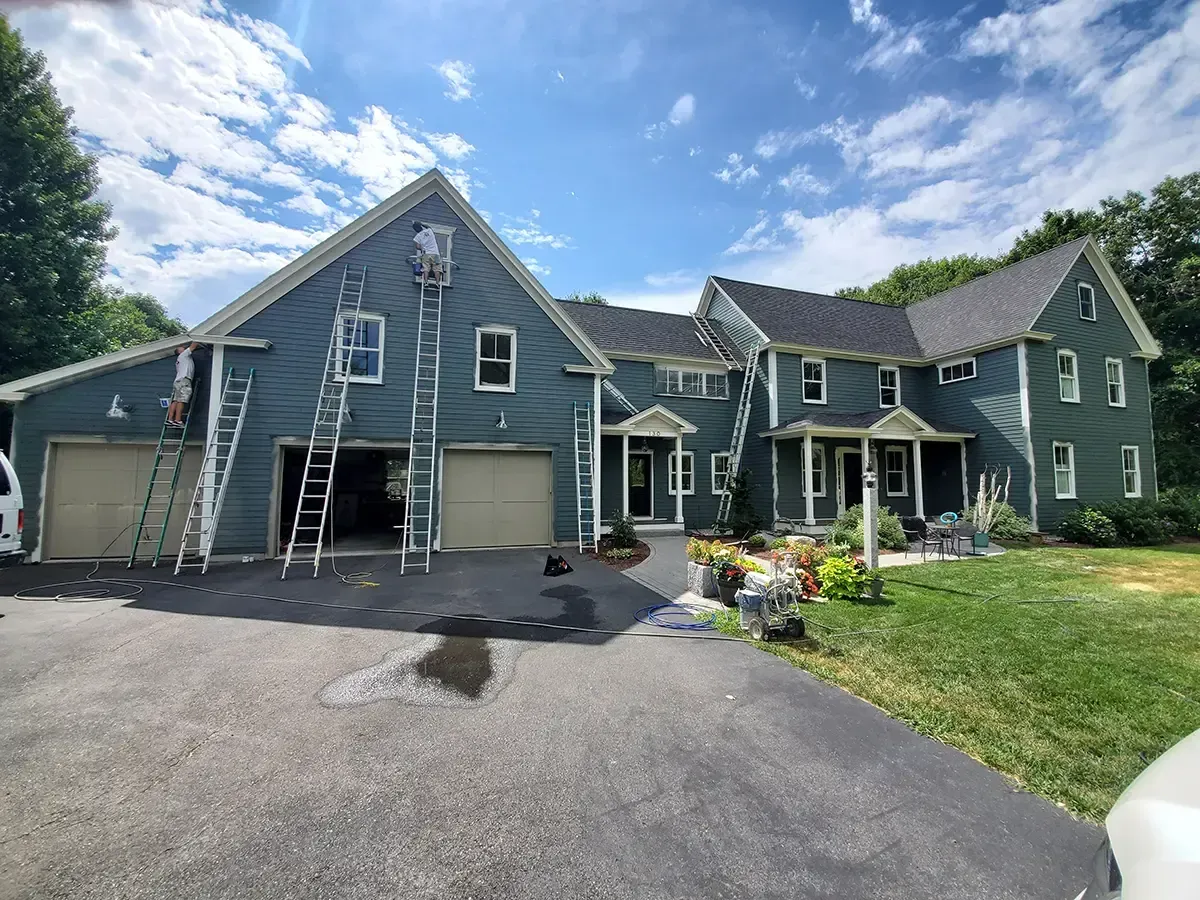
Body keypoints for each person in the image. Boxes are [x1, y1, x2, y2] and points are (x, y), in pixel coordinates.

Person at [166, 341, 200, 427]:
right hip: (184, 380)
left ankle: (170, 419)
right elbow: (193, 345)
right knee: (182, 400)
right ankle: (178, 420)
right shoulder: (183, 355)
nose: (183, 347)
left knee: (176, 400)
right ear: (179, 352)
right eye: (180, 348)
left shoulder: (180, 359)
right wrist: (198, 337)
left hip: (178, 381)